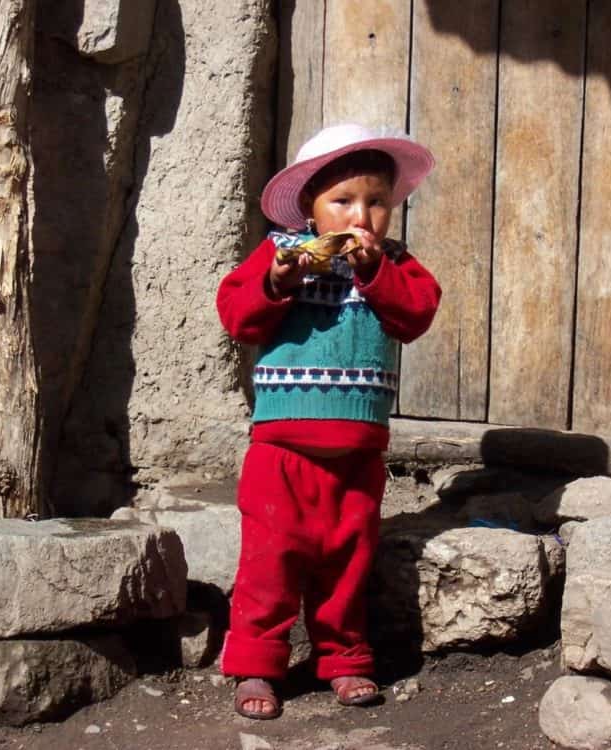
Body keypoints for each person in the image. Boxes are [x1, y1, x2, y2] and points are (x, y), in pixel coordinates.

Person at [215, 123, 442, 720]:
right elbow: (237, 313)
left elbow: (416, 313)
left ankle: (344, 661)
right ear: (310, 209)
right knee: (269, 562)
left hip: (359, 453)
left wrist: (374, 273)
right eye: (342, 202)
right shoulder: (281, 254)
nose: (360, 217)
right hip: (281, 450)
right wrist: (278, 282)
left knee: (349, 562)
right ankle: (257, 667)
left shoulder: (394, 266)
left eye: (376, 203)